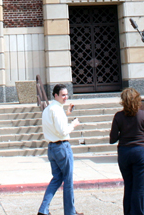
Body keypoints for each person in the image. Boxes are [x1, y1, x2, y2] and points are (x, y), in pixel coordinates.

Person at [109, 88, 144, 215]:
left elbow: (112, 139)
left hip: (124, 152)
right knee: (139, 187)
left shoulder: (118, 116)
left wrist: (122, 134)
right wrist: (143, 134)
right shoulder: (143, 115)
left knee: (129, 185)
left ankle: (128, 212)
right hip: (141, 152)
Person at [38, 84, 83, 215]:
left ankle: (43, 209)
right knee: (68, 180)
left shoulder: (49, 109)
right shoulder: (56, 110)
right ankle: (70, 212)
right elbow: (63, 131)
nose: (65, 97)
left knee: (57, 178)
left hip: (52, 147)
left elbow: (56, 125)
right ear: (55, 95)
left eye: (66, 94)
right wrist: (73, 124)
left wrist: (67, 113)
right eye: (63, 95)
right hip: (62, 147)